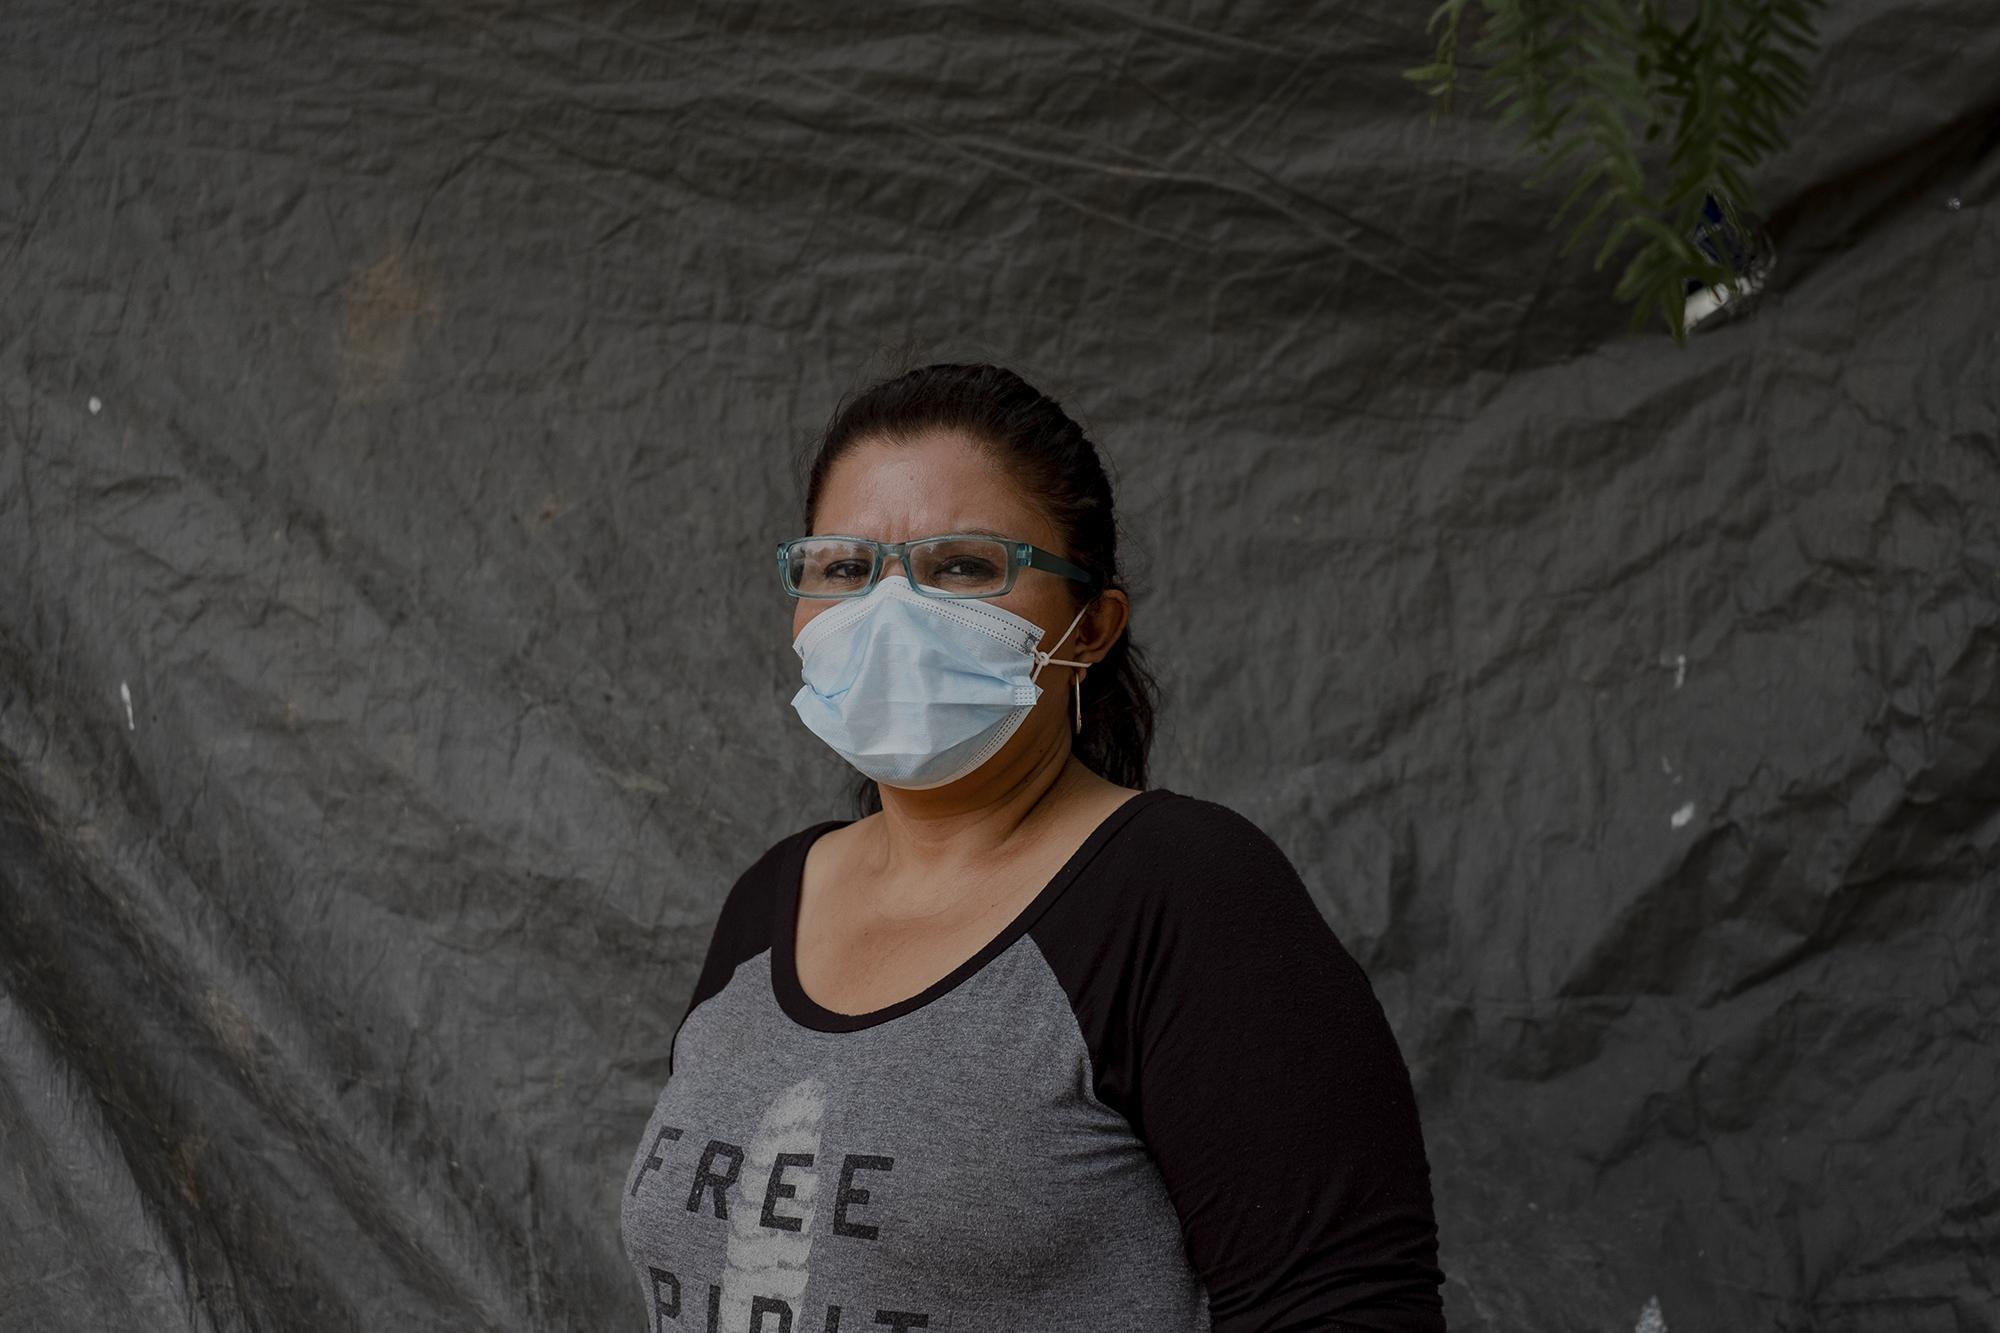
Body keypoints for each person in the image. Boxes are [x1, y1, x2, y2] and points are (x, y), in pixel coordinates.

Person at [619, 363, 1447, 1332]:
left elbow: (1347, 1309)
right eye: (843, 568)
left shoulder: (1181, 898)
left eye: (963, 567)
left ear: (1089, 626)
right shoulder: (771, 900)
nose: (889, 614)